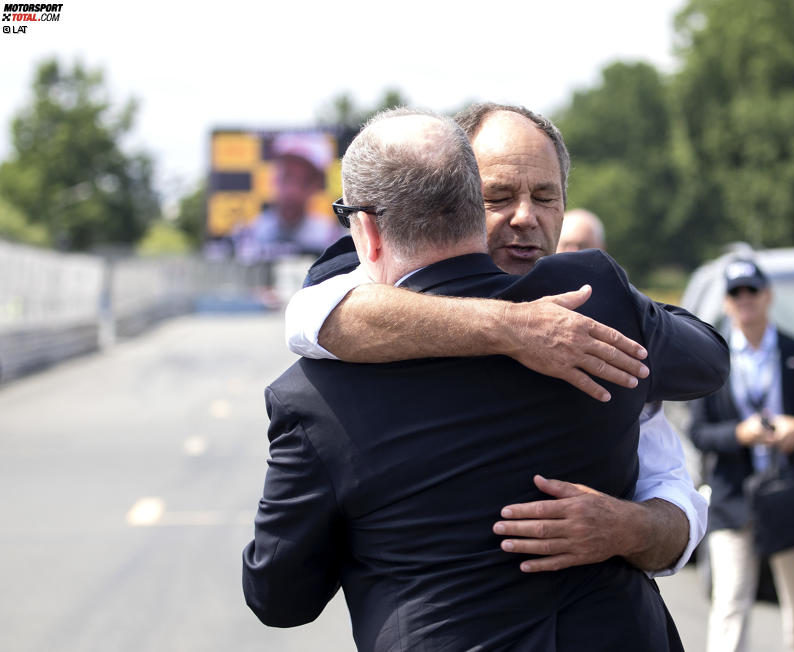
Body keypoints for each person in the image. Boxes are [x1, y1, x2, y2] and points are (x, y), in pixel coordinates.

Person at [243, 108, 728, 649]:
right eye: (499, 197)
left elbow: (281, 595)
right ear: (465, 198)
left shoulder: (595, 306)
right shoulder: (596, 301)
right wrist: (509, 327)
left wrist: (629, 528)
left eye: (545, 197)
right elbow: (315, 310)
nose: (525, 217)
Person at [688, 258, 794, 652]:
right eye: (736, 293)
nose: (745, 300)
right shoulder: (716, 359)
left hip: (790, 492)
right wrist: (739, 434)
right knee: (729, 606)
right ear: (727, 303)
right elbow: (698, 430)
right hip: (734, 495)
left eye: (752, 291)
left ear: (768, 296)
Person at [233, 132, 344, 262]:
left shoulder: (331, 236)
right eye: (287, 176)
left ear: (316, 186)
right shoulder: (250, 234)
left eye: (304, 181)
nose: (292, 190)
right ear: (274, 178)